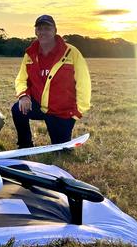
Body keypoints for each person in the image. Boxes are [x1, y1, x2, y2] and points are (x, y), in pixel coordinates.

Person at [11, 15, 91, 148]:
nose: (43, 32)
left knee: (61, 150)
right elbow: (21, 79)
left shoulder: (71, 52)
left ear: (55, 30)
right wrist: (24, 96)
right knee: (17, 109)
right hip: (38, 105)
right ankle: (25, 144)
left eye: (47, 28)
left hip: (62, 110)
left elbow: (84, 82)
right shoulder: (30, 54)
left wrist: (78, 111)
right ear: (35, 31)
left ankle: (61, 138)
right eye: (40, 28)